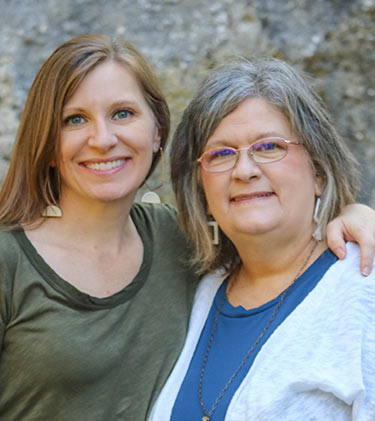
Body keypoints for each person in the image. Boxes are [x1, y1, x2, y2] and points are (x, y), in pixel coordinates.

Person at [0, 35, 373, 420]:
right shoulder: (193, 261)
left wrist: (352, 212)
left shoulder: (179, 243)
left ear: (157, 131)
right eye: (74, 119)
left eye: (268, 147)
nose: (103, 139)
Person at [150, 58, 375, 420]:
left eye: (269, 147)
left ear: (318, 170)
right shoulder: (199, 292)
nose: (244, 170)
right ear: (200, 186)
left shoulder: (363, 291)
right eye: (221, 154)